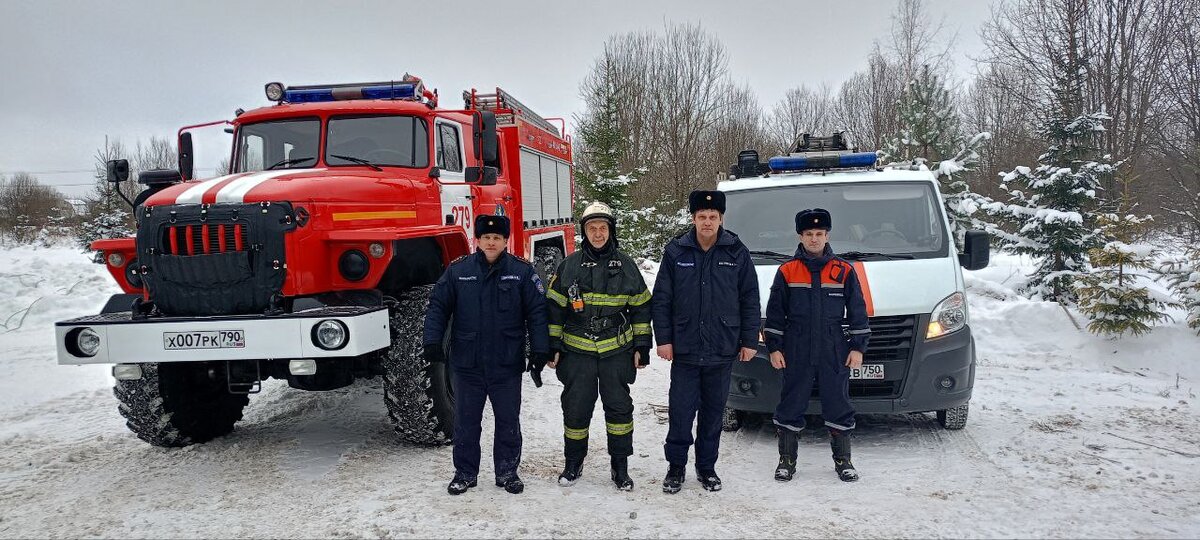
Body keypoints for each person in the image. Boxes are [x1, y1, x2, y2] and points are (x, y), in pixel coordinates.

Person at [423, 214, 551, 495]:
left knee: (508, 422)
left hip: (506, 363)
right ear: (477, 240)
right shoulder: (459, 271)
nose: (491, 242)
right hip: (468, 364)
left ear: (506, 241)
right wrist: (432, 341)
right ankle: (465, 473)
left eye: (497, 238)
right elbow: (438, 307)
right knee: (466, 423)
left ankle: (507, 472)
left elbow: (538, 313)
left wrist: (540, 349)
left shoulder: (522, 272)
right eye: (486, 238)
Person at [652, 190, 760, 494]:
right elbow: (662, 298)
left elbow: (750, 298)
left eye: (713, 217)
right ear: (693, 218)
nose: (708, 221)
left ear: (721, 218)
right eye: (702, 216)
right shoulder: (677, 251)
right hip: (685, 349)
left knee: (713, 415)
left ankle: (706, 468)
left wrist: (749, 339)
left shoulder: (736, 251)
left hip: (722, 348)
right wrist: (664, 339)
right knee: (681, 413)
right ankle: (675, 468)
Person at [544, 201, 652, 491]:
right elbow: (554, 309)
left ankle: (620, 468)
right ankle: (573, 463)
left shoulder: (627, 266)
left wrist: (642, 345)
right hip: (577, 353)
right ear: (584, 232)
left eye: (603, 228)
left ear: (611, 231)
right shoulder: (569, 266)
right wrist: (552, 345)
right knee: (576, 409)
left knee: (619, 410)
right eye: (592, 228)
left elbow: (642, 308)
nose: (598, 233)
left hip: (616, 352)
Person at [764, 208, 871, 483]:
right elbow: (775, 313)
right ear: (800, 236)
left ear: (827, 235)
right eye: (809, 234)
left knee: (838, 402)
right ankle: (786, 461)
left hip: (833, 346)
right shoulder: (787, 271)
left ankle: (843, 460)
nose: (814, 239)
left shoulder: (843, 270)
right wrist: (774, 347)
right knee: (791, 402)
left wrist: (858, 347)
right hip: (796, 346)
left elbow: (857, 311)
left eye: (819, 234)